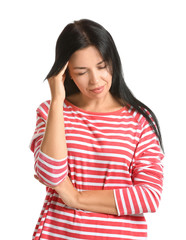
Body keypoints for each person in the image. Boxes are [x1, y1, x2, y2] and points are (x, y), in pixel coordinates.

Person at [29, 19, 164, 240]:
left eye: (102, 67)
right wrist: (56, 102)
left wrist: (76, 198)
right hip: (60, 234)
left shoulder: (139, 120)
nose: (95, 80)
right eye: (82, 72)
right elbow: (51, 174)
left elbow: (149, 196)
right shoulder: (50, 112)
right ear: (66, 73)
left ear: (113, 62)